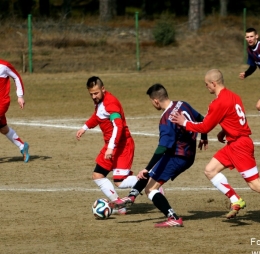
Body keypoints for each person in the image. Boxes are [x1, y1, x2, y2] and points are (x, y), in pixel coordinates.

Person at [109, 83, 208, 227]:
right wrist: (203, 136)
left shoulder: (166, 119)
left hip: (178, 157)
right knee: (152, 172)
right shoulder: (182, 104)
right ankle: (131, 196)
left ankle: (173, 217)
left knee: (150, 189)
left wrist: (146, 168)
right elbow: (202, 118)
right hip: (185, 153)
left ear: (156, 101)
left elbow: (162, 147)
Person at [172, 69, 260, 219]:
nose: (206, 87)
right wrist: (224, 132)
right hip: (234, 143)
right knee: (210, 170)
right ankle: (235, 200)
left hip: (240, 146)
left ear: (213, 83)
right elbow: (236, 118)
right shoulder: (234, 96)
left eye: (207, 84)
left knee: (255, 185)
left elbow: (205, 127)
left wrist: (185, 122)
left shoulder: (218, 102)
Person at [76, 76, 138, 215]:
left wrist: (111, 146)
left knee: (120, 182)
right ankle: (119, 205)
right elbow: (97, 116)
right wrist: (84, 127)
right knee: (98, 175)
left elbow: (118, 125)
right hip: (111, 145)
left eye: (96, 93)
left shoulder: (111, 104)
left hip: (122, 145)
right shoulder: (100, 102)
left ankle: (150, 182)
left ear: (103, 89)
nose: (93, 96)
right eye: (91, 94)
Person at [0, 59, 30, 162]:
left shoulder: (4, 65)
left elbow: (17, 77)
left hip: (2, 102)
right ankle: (22, 146)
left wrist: (20, 96)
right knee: (3, 128)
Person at [239, 27, 260, 111]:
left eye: (251, 36)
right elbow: (253, 66)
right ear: (245, 38)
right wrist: (246, 73)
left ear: (256, 36)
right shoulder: (250, 50)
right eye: (247, 37)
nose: (249, 39)